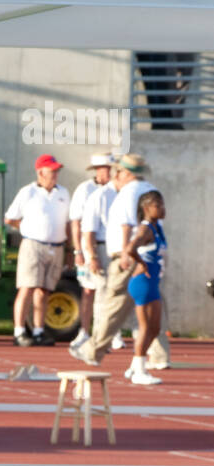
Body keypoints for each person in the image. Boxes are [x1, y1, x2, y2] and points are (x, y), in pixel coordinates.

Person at [70, 153, 170, 369]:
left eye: (119, 171)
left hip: (130, 257)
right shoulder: (151, 190)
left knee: (114, 306)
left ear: (125, 173)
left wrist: (126, 254)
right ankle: (159, 355)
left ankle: (93, 351)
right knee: (154, 304)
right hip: (152, 254)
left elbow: (126, 226)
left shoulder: (128, 193)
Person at [4, 153, 70, 347]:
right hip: (33, 245)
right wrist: (25, 228)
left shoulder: (63, 193)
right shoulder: (28, 192)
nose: (56, 173)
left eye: (57, 170)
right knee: (27, 287)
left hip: (56, 247)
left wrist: (70, 250)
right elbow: (10, 218)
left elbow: (67, 222)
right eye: (52, 170)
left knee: (44, 291)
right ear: (41, 172)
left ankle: (39, 330)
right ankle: (19, 331)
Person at [68, 153, 114, 353]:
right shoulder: (85, 189)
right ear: (97, 170)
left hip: (112, 246)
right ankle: (85, 332)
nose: (109, 171)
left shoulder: (116, 190)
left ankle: (109, 334)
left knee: (111, 291)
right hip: (91, 245)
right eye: (105, 167)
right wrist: (78, 250)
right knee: (89, 290)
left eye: (110, 167)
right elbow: (76, 222)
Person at [124, 191, 168, 386]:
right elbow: (130, 249)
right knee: (146, 327)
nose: (162, 208)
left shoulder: (156, 228)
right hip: (143, 282)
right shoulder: (145, 230)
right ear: (146, 208)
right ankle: (140, 370)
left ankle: (135, 365)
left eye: (162, 204)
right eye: (157, 205)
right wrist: (140, 263)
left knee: (155, 328)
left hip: (151, 283)